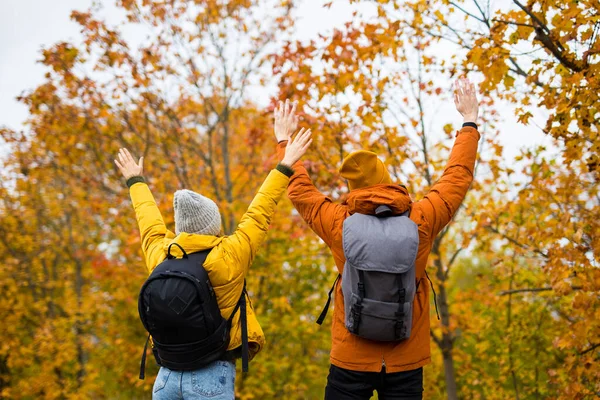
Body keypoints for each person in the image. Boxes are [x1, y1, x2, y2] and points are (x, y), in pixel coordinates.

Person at [274, 78, 480, 399]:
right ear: (387, 181)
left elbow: (300, 190)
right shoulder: (420, 219)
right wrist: (469, 122)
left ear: (354, 190)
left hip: (350, 355)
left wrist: (285, 142)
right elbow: (457, 177)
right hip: (406, 358)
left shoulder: (339, 223)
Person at [114, 115, 312, 399]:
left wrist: (135, 180)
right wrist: (285, 163)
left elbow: (148, 221)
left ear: (180, 227)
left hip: (166, 377)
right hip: (210, 375)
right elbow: (260, 210)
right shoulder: (229, 254)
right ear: (213, 225)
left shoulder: (161, 254)